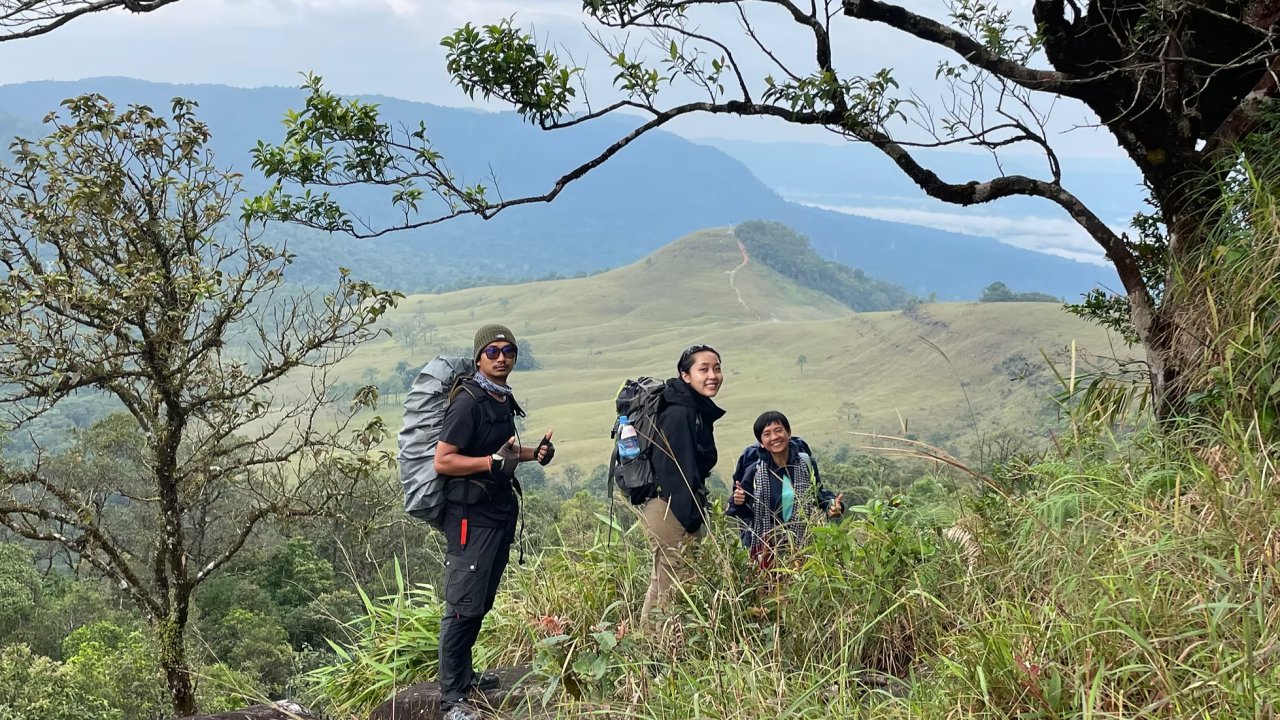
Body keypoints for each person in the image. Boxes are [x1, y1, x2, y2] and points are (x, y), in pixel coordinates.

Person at [433, 324, 554, 720]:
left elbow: (502, 451)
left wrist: (534, 453)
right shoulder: (468, 402)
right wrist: (489, 464)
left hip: (497, 510)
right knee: (463, 603)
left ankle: (465, 676)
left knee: (481, 599)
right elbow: (444, 459)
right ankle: (452, 699)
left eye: (509, 351)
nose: (502, 357)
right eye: (493, 351)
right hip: (470, 516)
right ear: (479, 357)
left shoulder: (499, 398)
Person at [631, 343, 725, 624]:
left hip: (668, 505)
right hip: (670, 507)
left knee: (662, 581)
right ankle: (665, 654)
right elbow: (674, 471)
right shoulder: (680, 412)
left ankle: (647, 650)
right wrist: (692, 520)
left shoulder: (691, 407)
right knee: (675, 584)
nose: (713, 375)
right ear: (685, 375)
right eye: (703, 369)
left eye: (717, 368)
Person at [727, 410, 844, 569]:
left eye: (778, 430)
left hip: (801, 546)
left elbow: (816, 494)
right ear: (761, 442)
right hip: (765, 549)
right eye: (767, 434)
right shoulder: (755, 471)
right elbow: (742, 513)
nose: (774, 437)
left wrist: (832, 506)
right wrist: (738, 501)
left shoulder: (805, 464)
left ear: (788, 433)